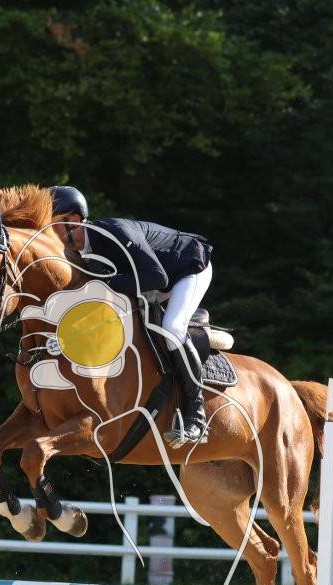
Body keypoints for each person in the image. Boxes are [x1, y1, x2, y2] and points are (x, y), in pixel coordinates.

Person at [48, 185, 214, 448]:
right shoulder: (81, 255)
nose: (47, 232)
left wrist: (108, 283)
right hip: (155, 281)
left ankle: (197, 414)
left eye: (52, 224)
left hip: (188, 267)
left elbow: (157, 277)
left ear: (74, 220)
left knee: (172, 327)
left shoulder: (114, 234)